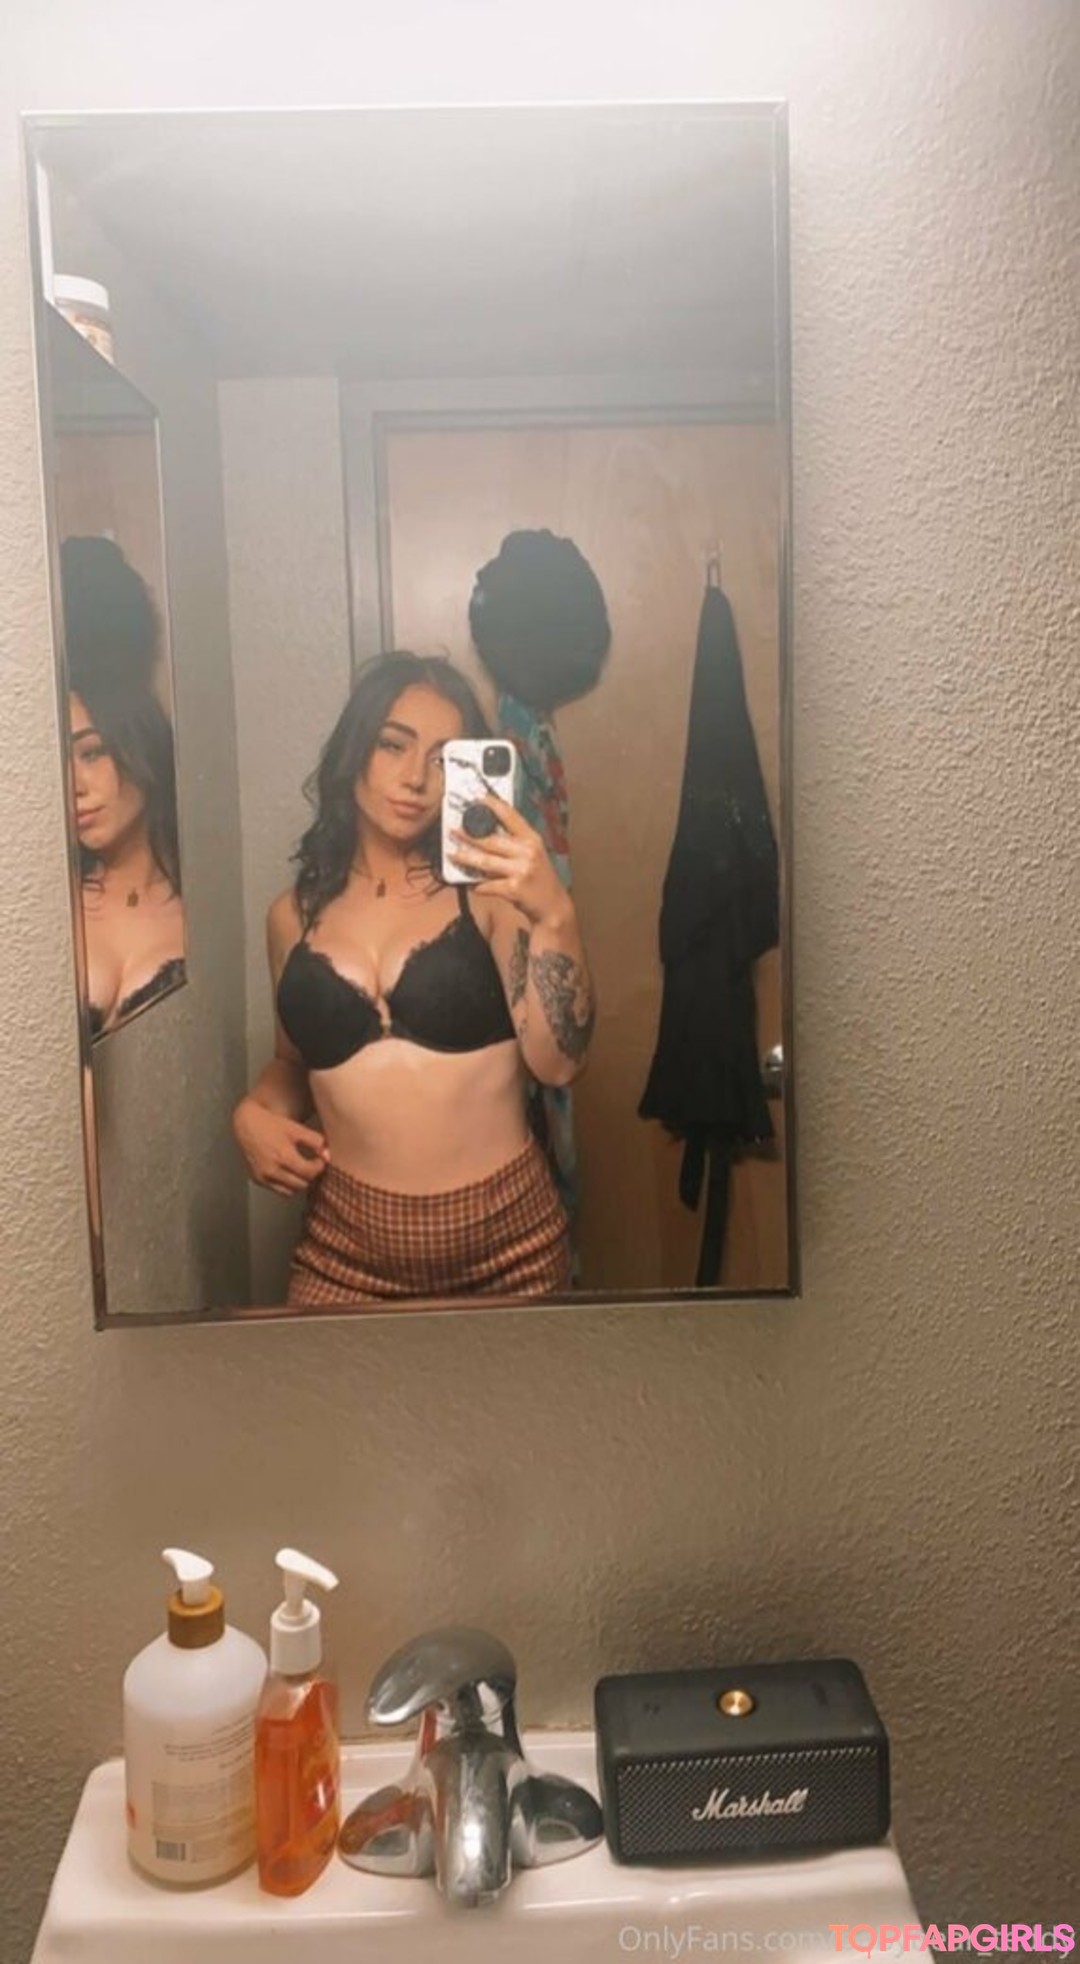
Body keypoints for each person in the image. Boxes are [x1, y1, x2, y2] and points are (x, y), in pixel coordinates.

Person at [232, 650, 596, 1309]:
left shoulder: (490, 898)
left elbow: (559, 1063)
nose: (415, 779)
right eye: (392, 744)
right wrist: (251, 1115)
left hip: (509, 1249)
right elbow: (293, 1064)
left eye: (443, 759)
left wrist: (554, 916)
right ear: (354, 751)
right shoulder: (292, 917)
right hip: (342, 1256)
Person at [61, 537, 186, 1038]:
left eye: (93, 753)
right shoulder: (48, 905)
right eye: (61, 764)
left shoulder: (205, 897)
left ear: (141, 747)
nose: (75, 787)